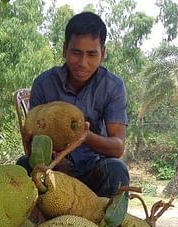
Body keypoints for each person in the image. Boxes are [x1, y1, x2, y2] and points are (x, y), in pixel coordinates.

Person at [18, 11, 130, 199]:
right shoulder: (44, 84)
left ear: (103, 53)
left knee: (117, 170)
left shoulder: (113, 87)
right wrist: (32, 144)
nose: (83, 63)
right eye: (76, 53)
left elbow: (117, 148)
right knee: (22, 166)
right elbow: (34, 142)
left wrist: (85, 136)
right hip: (53, 167)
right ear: (64, 50)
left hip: (94, 167)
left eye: (92, 54)